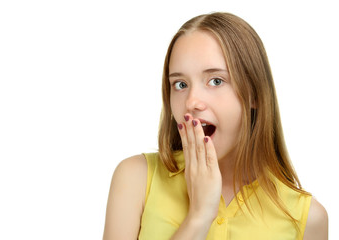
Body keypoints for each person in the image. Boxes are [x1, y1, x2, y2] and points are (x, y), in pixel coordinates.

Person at [103, 12, 328, 239]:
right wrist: (199, 216)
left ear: (254, 95)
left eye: (216, 81)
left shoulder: (307, 218)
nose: (191, 102)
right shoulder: (136, 179)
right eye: (180, 84)